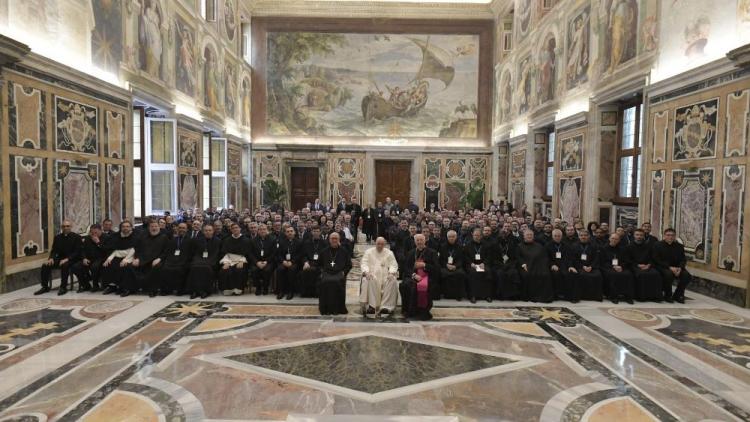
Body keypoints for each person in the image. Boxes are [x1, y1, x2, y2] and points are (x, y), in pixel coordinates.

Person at [126, 219, 169, 297]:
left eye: (156, 226)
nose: (154, 228)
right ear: (149, 228)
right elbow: (137, 249)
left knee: (157, 267)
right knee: (130, 266)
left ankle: (153, 290)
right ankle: (131, 289)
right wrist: (137, 258)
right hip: (143, 260)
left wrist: (159, 259)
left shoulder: (164, 237)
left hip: (156, 260)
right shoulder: (143, 237)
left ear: (159, 227)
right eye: (152, 226)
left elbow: (166, 251)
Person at [36, 220, 81, 296]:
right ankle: (45, 287)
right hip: (60, 259)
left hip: (72, 259)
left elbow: (77, 252)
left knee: (65, 265)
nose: (65, 228)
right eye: (63, 226)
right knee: (45, 265)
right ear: (61, 227)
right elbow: (54, 250)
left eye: (67, 226)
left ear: (71, 227)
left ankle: (63, 287)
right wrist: (51, 258)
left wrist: (67, 259)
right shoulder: (57, 237)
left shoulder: (76, 237)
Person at [400, 234, 439, 320]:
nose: (419, 242)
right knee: (406, 285)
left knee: (421, 286)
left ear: (425, 241)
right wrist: (413, 275)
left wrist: (424, 265)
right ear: (415, 242)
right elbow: (406, 268)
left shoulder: (432, 252)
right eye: (417, 240)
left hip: (427, 276)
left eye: (421, 240)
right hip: (413, 276)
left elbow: (436, 268)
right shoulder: (411, 253)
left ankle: (422, 311)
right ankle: (409, 311)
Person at [360, 236, 399, 316]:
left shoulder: (389, 252)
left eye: (382, 244)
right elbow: (364, 263)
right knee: (369, 279)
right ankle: (372, 306)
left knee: (393, 280)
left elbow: (393, 264)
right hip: (372, 274)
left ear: (384, 244)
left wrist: (391, 273)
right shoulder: (368, 252)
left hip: (385, 276)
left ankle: (386, 307)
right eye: (378, 244)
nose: (380, 246)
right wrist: (367, 272)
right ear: (375, 243)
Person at [652, 228, 692, 303]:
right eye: (668, 235)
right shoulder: (657, 245)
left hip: (677, 267)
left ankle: (678, 294)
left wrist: (680, 268)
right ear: (664, 236)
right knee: (668, 274)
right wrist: (670, 267)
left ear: (675, 236)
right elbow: (656, 259)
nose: (670, 237)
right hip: (662, 266)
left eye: (672, 235)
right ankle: (668, 295)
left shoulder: (679, 246)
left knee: (687, 276)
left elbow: (683, 259)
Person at [627, 229, 665, 302]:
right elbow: (627, 260)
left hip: (648, 265)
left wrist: (648, 265)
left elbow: (653, 258)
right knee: (641, 274)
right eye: (637, 235)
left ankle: (655, 297)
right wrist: (638, 265)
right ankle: (641, 297)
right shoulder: (629, 246)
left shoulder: (649, 246)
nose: (639, 237)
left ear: (643, 236)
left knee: (656, 274)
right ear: (634, 236)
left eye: (641, 235)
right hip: (634, 266)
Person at [318, 232, 352, 315]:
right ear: (329, 240)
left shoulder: (344, 251)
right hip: (326, 272)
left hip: (339, 273)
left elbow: (349, 265)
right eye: (332, 238)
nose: (334, 240)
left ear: (339, 239)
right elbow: (319, 264)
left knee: (337, 282)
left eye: (336, 238)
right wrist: (322, 272)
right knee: (325, 282)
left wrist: (344, 272)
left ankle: (338, 308)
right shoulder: (324, 251)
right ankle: (325, 309)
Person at [101, 221, 138, 295]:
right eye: (123, 226)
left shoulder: (136, 236)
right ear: (120, 228)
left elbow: (134, 250)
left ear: (131, 228)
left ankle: (126, 288)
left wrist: (126, 259)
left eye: (127, 226)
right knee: (109, 265)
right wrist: (109, 258)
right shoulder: (115, 236)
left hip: (131, 256)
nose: (125, 228)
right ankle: (112, 286)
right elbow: (114, 249)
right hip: (117, 255)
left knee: (126, 267)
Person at [185, 223, 222, 299]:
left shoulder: (218, 241)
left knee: (206, 268)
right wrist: (198, 260)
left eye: (210, 230)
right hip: (199, 260)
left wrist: (208, 261)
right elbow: (195, 253)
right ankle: (194, 291)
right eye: (206, 230)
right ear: (203, 231)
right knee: (194, 267)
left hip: (211, 262)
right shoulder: (197, 240)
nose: (208, 232)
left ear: (213, 231)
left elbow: (216, 254)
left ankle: (205, 291)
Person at [517, 229, 554, 303]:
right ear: (524, 236)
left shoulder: (539, 246)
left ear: (533, 236)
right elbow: (518, 257)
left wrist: (544, 265)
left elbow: (544, 257)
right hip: (526, 265)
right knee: (527, 275)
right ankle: (529, 296)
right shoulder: (519, 246)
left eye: (531, 235)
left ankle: (544, 297)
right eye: (527, 235)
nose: (529, 236)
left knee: (545, 275)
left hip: (539, 265)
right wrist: (523, 264)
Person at [156, 222, 191, 295]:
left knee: (179, 269)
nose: (181, 229)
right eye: (180, 228)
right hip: (172, 260)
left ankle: (179, 289)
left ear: (187, 230)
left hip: (184, 261)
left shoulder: (190, 240)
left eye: (183, 228)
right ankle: (167, 289)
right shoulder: (173, 240)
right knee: (166, 268)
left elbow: (190, 254)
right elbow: (168, 252)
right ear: (178, 229)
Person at [567, 230, 603, 301]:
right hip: (579, 266)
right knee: (579, 275)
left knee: (598, 275)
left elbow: (596, 258)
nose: (583, 237)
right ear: (579, 236)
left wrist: (591, 266)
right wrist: (582, 266)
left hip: (592, 267)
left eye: (585, 235)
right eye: (581, 235)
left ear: (589, 236)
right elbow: (573, 259)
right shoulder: (574, 246)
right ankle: (580, 296)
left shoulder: (594, 245)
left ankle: (594, 296)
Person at [600, 233, 635, 304]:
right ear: (609, 239)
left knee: (628, 274)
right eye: (612, 238)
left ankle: (627, 296)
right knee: (613, 275)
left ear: (619, 240)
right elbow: (602, 261)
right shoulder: (603, 248)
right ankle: (613, 296)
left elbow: (626, 260)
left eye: (616, 239)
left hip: (620, 267)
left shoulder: (623, 249)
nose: (614, 240)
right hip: (608, 267)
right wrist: (613, 267)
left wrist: (621, 266)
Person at [218, 222, 251, 296]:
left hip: (241, 260)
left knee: (239, 270)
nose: (235, 229)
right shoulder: (227, 240)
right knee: (224, 270)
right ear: (231, 230)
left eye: (236, 227)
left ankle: (238, 289)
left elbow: (248, 254)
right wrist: (226, 262)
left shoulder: (246, 240)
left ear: (240, 229)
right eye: (233, 228)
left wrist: (242, 261)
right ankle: (228, 290)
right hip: (229, 260)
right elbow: (224, 253)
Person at [72, 224, 106, 293]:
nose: (93, 234)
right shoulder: (87, 238)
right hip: (89, 259)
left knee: (94, 267)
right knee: (75, 267)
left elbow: (106, 251)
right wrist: (84, 258)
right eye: (92, 232)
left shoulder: (106, 237)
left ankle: (95, 285)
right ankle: (85, 285)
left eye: (95, 233)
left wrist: (98, 243)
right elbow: (82, 250)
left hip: (101, 258)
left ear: (100, 231)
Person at [463, 228, 494, 303]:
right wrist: (471, 264)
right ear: (472, 235)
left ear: (481, 236)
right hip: (472, 265)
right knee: (473, 273)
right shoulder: (467, 245)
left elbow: (489, 256)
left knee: (488, 272)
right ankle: (473, 295)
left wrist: (483, 263)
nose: (477, 236)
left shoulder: (486, 245)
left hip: (483, 264)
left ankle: (487, 295)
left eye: (478, 235)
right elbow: (465, 257)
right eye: (475, 235)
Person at [546, 229, 574, 301]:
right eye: (555, 236)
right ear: (552, 236)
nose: (557, 237)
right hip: (552, 266)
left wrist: (570, 266)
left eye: (559, 236)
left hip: (564, 266)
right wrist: (552, 265)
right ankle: (556, 294)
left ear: (561, 236)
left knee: (569, 274)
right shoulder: (548, 245)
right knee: (556, 274)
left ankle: (567, 295)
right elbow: (546, 258)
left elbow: (569, 258)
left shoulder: (566, 245)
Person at [494, 228, 522, 300]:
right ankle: (501, 295)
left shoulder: (511, 244)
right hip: (498, 265)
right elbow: (493, 259)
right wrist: (502, 265)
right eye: (502, 234)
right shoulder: (495, 245)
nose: (503, 236)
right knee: (500, 274)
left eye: (505, 234)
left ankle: (513, 295)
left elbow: (514, 257)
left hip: (510, 265)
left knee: (513, 273)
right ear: (499, 235)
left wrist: (508, 265)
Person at [438, 230, 467, 301]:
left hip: (456, 266)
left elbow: (461, 259)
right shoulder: (442, 246)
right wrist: (446, 265)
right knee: (444, 273)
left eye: (453, 236)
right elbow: (440, 259)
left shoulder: (460, 247)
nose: (451, 238)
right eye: (450, 237)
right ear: (447, 237)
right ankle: (446, 294)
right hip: (445, 266)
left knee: (460, 274)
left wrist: (455, 266)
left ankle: (458, 295)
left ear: (456, 237)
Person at [276, 226, 302, 300]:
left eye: (291, 231)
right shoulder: (281, 242)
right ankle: (281, 291)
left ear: (294, 232)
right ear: (285, 233)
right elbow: (278, 254)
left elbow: (300, 254)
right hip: (284, 261)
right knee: (280, 270)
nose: (289, 233)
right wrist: (283, 261)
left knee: (292, 270)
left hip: (294, 262)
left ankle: (291, 291)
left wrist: (292, 262)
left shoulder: (299, 242)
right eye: (288, 231)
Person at [250, 224, 276, 295]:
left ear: (267, 230)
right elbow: (251, 254)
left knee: (267, 270)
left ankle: (265, 288)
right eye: (260, 229)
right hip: (257, 261)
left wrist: (266, 262)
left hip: (268, 261)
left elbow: (273, 253)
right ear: (258, 231)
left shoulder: (272, 239)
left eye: (264, 229)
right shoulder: (253, 240)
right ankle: (258, 288)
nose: (262, 231)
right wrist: (257, 262)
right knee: (254, 270)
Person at [300, 226, 325, 297]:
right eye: (314, 231)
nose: (316, 233)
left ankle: (314, 292)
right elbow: (303, 255)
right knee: (307, 270)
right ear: (311, 232)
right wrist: (305, 262)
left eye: (317, 231)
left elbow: (326, 256)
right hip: (309, 263)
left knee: (312, 270)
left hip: (320, 264)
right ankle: (307, 292)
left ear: (320, 232)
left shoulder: (324, 243)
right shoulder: (307, 242)